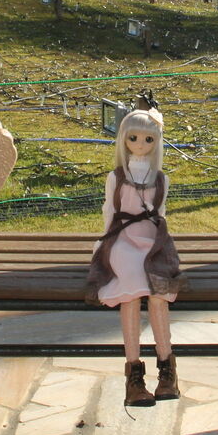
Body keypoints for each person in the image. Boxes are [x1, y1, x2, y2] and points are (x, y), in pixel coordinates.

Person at [85, 107, 185, 407]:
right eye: (134, 138)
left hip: (152, 240)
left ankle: (167, 370)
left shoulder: (161, 179)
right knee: (129, 292)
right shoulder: (116, 177)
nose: (140, 144)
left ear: (156, 142)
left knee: (158, 293)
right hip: (122, 240)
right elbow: (109, 212)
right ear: (124, 140)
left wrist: (161, 244)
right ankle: (134, 375)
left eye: (148, 139)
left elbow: (161, 214)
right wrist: (102, 245)